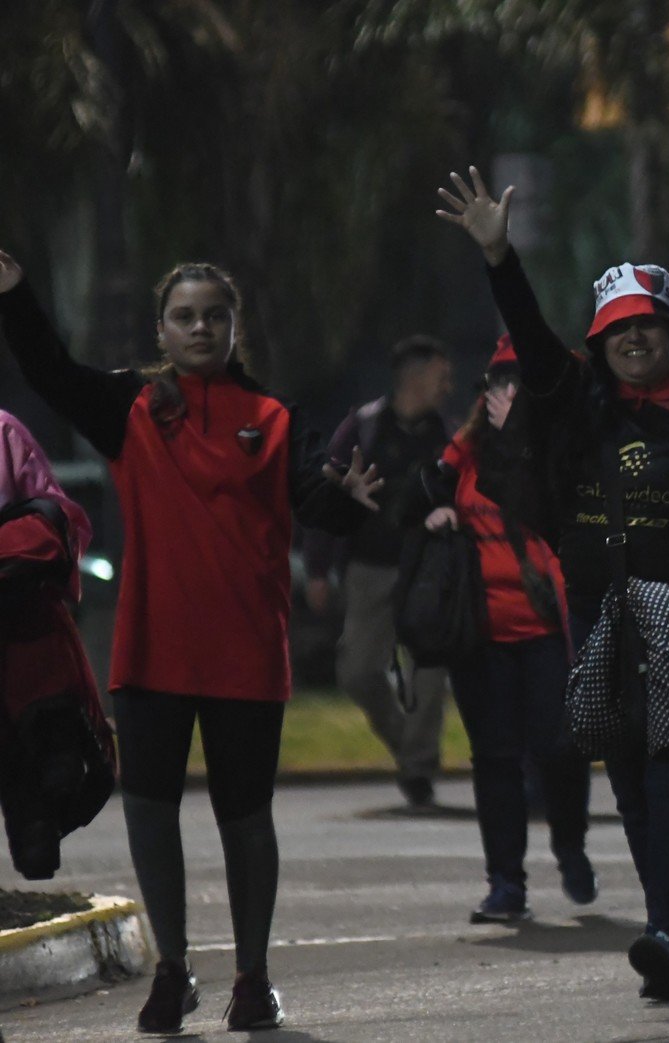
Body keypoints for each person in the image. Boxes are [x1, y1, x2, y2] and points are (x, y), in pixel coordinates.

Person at [436, 167, 669, 1000]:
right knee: (633, 773)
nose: (635, 338)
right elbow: (531, 342)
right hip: (600, 613)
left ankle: (668, 933)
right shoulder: (575, 403)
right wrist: (499, 256)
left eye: (649, 324)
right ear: (598, 340)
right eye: (618, 327)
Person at [0, 250, 381, 1034]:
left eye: (214, 314)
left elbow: (317, 496)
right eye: (185, 315)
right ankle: (171, 971)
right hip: (153, 652)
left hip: (246, 651)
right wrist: (15, 294)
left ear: (234, 325)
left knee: (247, 819)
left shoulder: (274, 417)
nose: (200, 326)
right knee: (150, 812)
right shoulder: (132, 406)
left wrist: (347, 503)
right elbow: (50, 370)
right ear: (162, 330)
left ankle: (252, 976)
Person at [412, 334, 597, 923]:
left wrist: (522, 436)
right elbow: (424, 493)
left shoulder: (561, 449)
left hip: (547, 629)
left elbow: (553, 502)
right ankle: (505, 884)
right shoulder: (464, 452)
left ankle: (569, 845)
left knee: (559, 749)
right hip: (482, 635)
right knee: (494, 758)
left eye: (519, 384)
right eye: (499, 383)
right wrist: (437, 510)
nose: (507, 395)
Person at [303, 336, 454, 808]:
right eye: (439, 375)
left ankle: (418, 770)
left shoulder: (446, 436)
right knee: (356, 671)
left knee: (429, 674)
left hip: (427, 570)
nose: (447, 385)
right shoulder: (364, 427)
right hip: (369, 569)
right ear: (414, 376)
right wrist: (318, 569)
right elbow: (327, 495)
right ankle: (411, 751)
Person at [0, 409, 115, 881]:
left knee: (47, 767)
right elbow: (57, 518)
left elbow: (55, 522)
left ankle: (37, 825)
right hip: (28, 634)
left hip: (22, 628)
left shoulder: (3, 431)